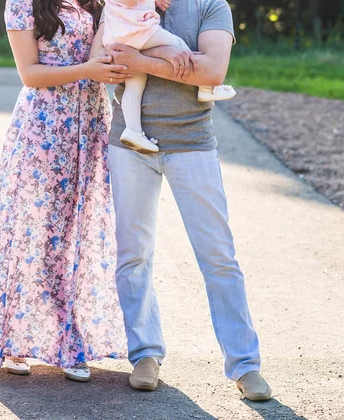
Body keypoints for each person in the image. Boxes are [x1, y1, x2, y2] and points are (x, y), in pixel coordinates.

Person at [95, 0, 273, 400]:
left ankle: (245, 366)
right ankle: (144, 354)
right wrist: (173, 59)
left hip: (191, 143)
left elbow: (212, 71)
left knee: (218, 256)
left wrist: (143, 58)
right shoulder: (124, 2)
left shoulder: (211, 6)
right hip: (130, 143)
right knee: (133, 254)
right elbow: (109, 62)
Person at [0, 0, 128, 382]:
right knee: (35, 238)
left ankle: (68, 341)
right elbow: (29, 73)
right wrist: (88, 71)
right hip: (44, 128)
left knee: (77, 238)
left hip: (90, 126)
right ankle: (18, 341)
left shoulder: (94, 2)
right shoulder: (23, 3)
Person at [99, 0, 236, 153]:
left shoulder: (212, 5)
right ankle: (205, 87)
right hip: (134, 31)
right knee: (178, 46)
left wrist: (138, 61)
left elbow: (214, 72)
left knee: (135, 82)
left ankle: (133, 131)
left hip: (121, 35)